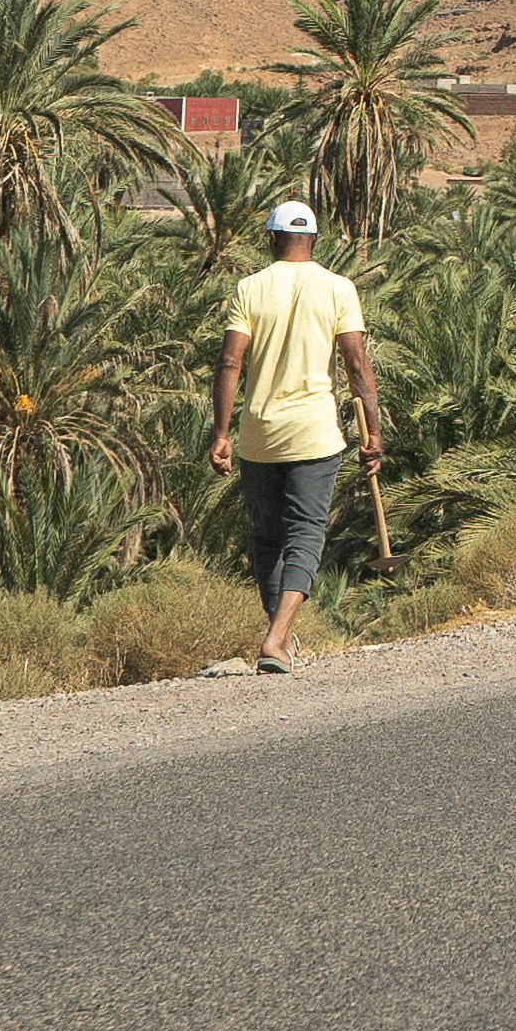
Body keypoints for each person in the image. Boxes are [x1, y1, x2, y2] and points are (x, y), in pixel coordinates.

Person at [206, 199, 381, 676]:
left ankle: (277, 636)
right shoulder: (338, 288)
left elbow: (229, 363)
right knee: (305, 532)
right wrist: (374, 432)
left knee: (266, 537)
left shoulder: (250, 288)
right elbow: (357, 364)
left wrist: (221, 432)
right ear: (315, 241)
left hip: (258, 434)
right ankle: (277, 638)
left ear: (271, 239)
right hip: (314, 434)